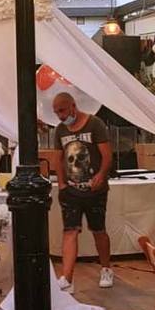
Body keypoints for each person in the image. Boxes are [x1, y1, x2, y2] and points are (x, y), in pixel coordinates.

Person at [51, 92, 113, 292]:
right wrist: (62, 184)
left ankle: (106, 268)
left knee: (98, 230)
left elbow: (107, 155)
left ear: (73, 106)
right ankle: (67, 277)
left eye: (62, 110)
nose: (60, 116)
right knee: (70, 230)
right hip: (71, 190)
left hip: (95, 190)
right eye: (57, 112)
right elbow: (58, 158)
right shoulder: (60, 131)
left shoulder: (95, 124)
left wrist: (101, 175)